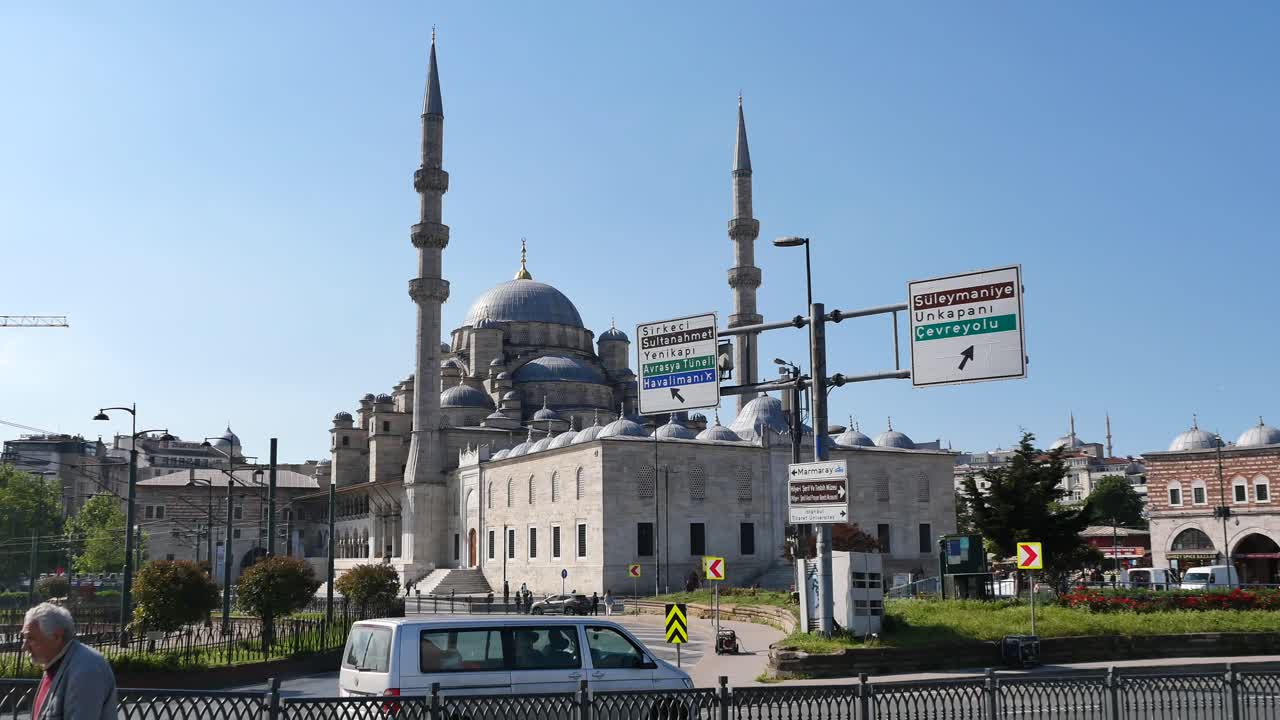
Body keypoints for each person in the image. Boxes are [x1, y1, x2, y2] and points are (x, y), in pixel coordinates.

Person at [23, 602, 117, 720]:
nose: (25, 646)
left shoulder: (86, 669)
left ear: (56, 636)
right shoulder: (56, 664)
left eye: (31, 638)